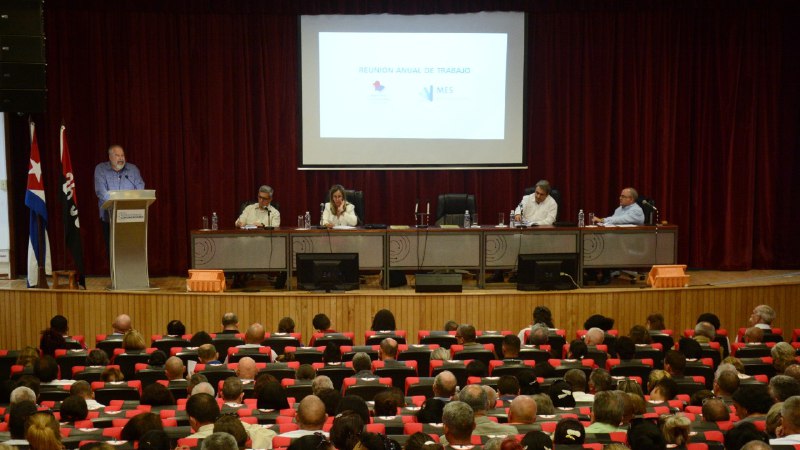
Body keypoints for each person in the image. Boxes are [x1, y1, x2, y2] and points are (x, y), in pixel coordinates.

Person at [94, 144, 145, 254]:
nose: (121, 158)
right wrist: (117, 203)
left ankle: (132, 270)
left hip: (132, 217)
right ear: (110, 157)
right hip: (109, 217)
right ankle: (114, 271)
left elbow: (140, 188)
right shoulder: (101, 169)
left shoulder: (133, 169)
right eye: (117, 155)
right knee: (112, 251)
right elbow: (101, 192)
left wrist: (130, 202)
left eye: (122, 155)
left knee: (132, 250)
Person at [590, 187, 645, 284]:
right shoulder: (619, 209)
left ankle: (606, 275)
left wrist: (602, 220)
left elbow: (620, 220)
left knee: (605, 242)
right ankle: (591, 272)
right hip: (618, 239)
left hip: (630, 241)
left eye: (623, 196)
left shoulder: (637, 211)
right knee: (596, 239)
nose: (620, 198)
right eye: (620, 196)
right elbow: (613, 220)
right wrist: (603, 222)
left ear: (631, 199)